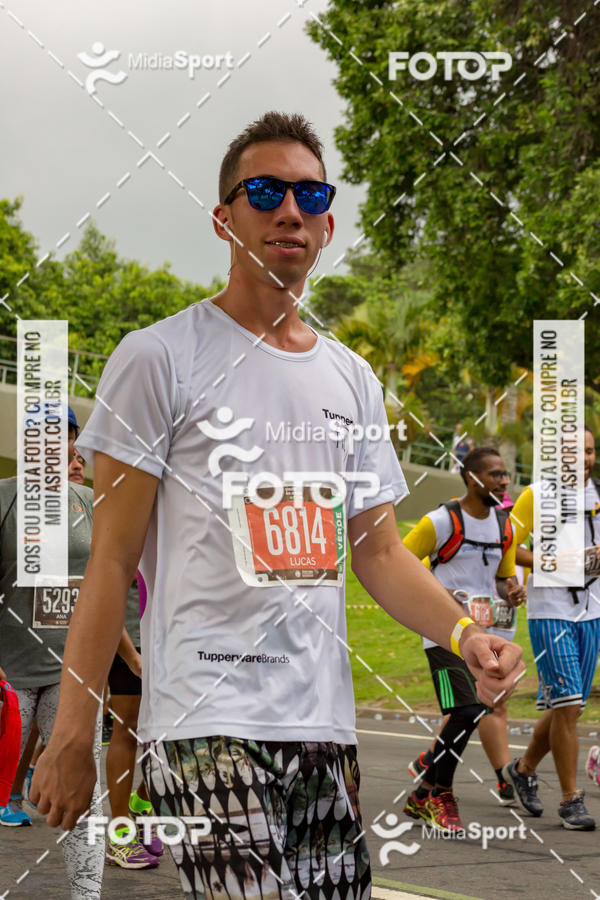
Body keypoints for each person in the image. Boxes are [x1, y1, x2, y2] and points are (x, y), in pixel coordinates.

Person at [31, 112, 524, 900]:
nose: (288, 209)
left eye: (308, 193)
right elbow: (112, 563)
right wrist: (70, 739)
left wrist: (466, 635)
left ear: (326, 223)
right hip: (205, 722)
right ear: (225, 218)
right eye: (264, 191)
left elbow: (380, 554)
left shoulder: (352, 381)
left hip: (321, 729)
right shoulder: (158, 358)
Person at [0, 407, 105, 898]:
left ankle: (87, 894)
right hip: (9, 674)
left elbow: (97, 592)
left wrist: (128, 659)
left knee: (82, 798)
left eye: (60, 436)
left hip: (70, 676)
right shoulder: (4, 497)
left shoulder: (90, 502)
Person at [403, 447, 525, 829]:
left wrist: (512, 591)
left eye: (505, 474)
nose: (504, 481)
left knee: (472, 711)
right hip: (441, 631)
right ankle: (440, 796)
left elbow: (503, 579)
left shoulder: (505, 526)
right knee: (469, 709)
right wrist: (441, 597)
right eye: (495, 475)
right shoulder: (439, 521)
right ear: (471, 479)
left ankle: (424, 790)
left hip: (481, 636)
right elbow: (401, 566)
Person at [503, 425, 600, 830]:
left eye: (590, 451)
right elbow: (508, 543)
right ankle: (570, 800)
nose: (585, 459)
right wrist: (556, 562)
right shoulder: (535, 495)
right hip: (550, 611)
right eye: (575, 453)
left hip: (592, 611)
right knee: (566, 706)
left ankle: (523, 770)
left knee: (571, 706)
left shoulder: (597, 495)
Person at [104, 576, 163, 869]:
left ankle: (142, 803)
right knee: (126, 731)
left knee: (171, 738)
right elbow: (105, 592)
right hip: (132, 641)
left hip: (174, 639)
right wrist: (131, 656)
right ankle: (120, 834)